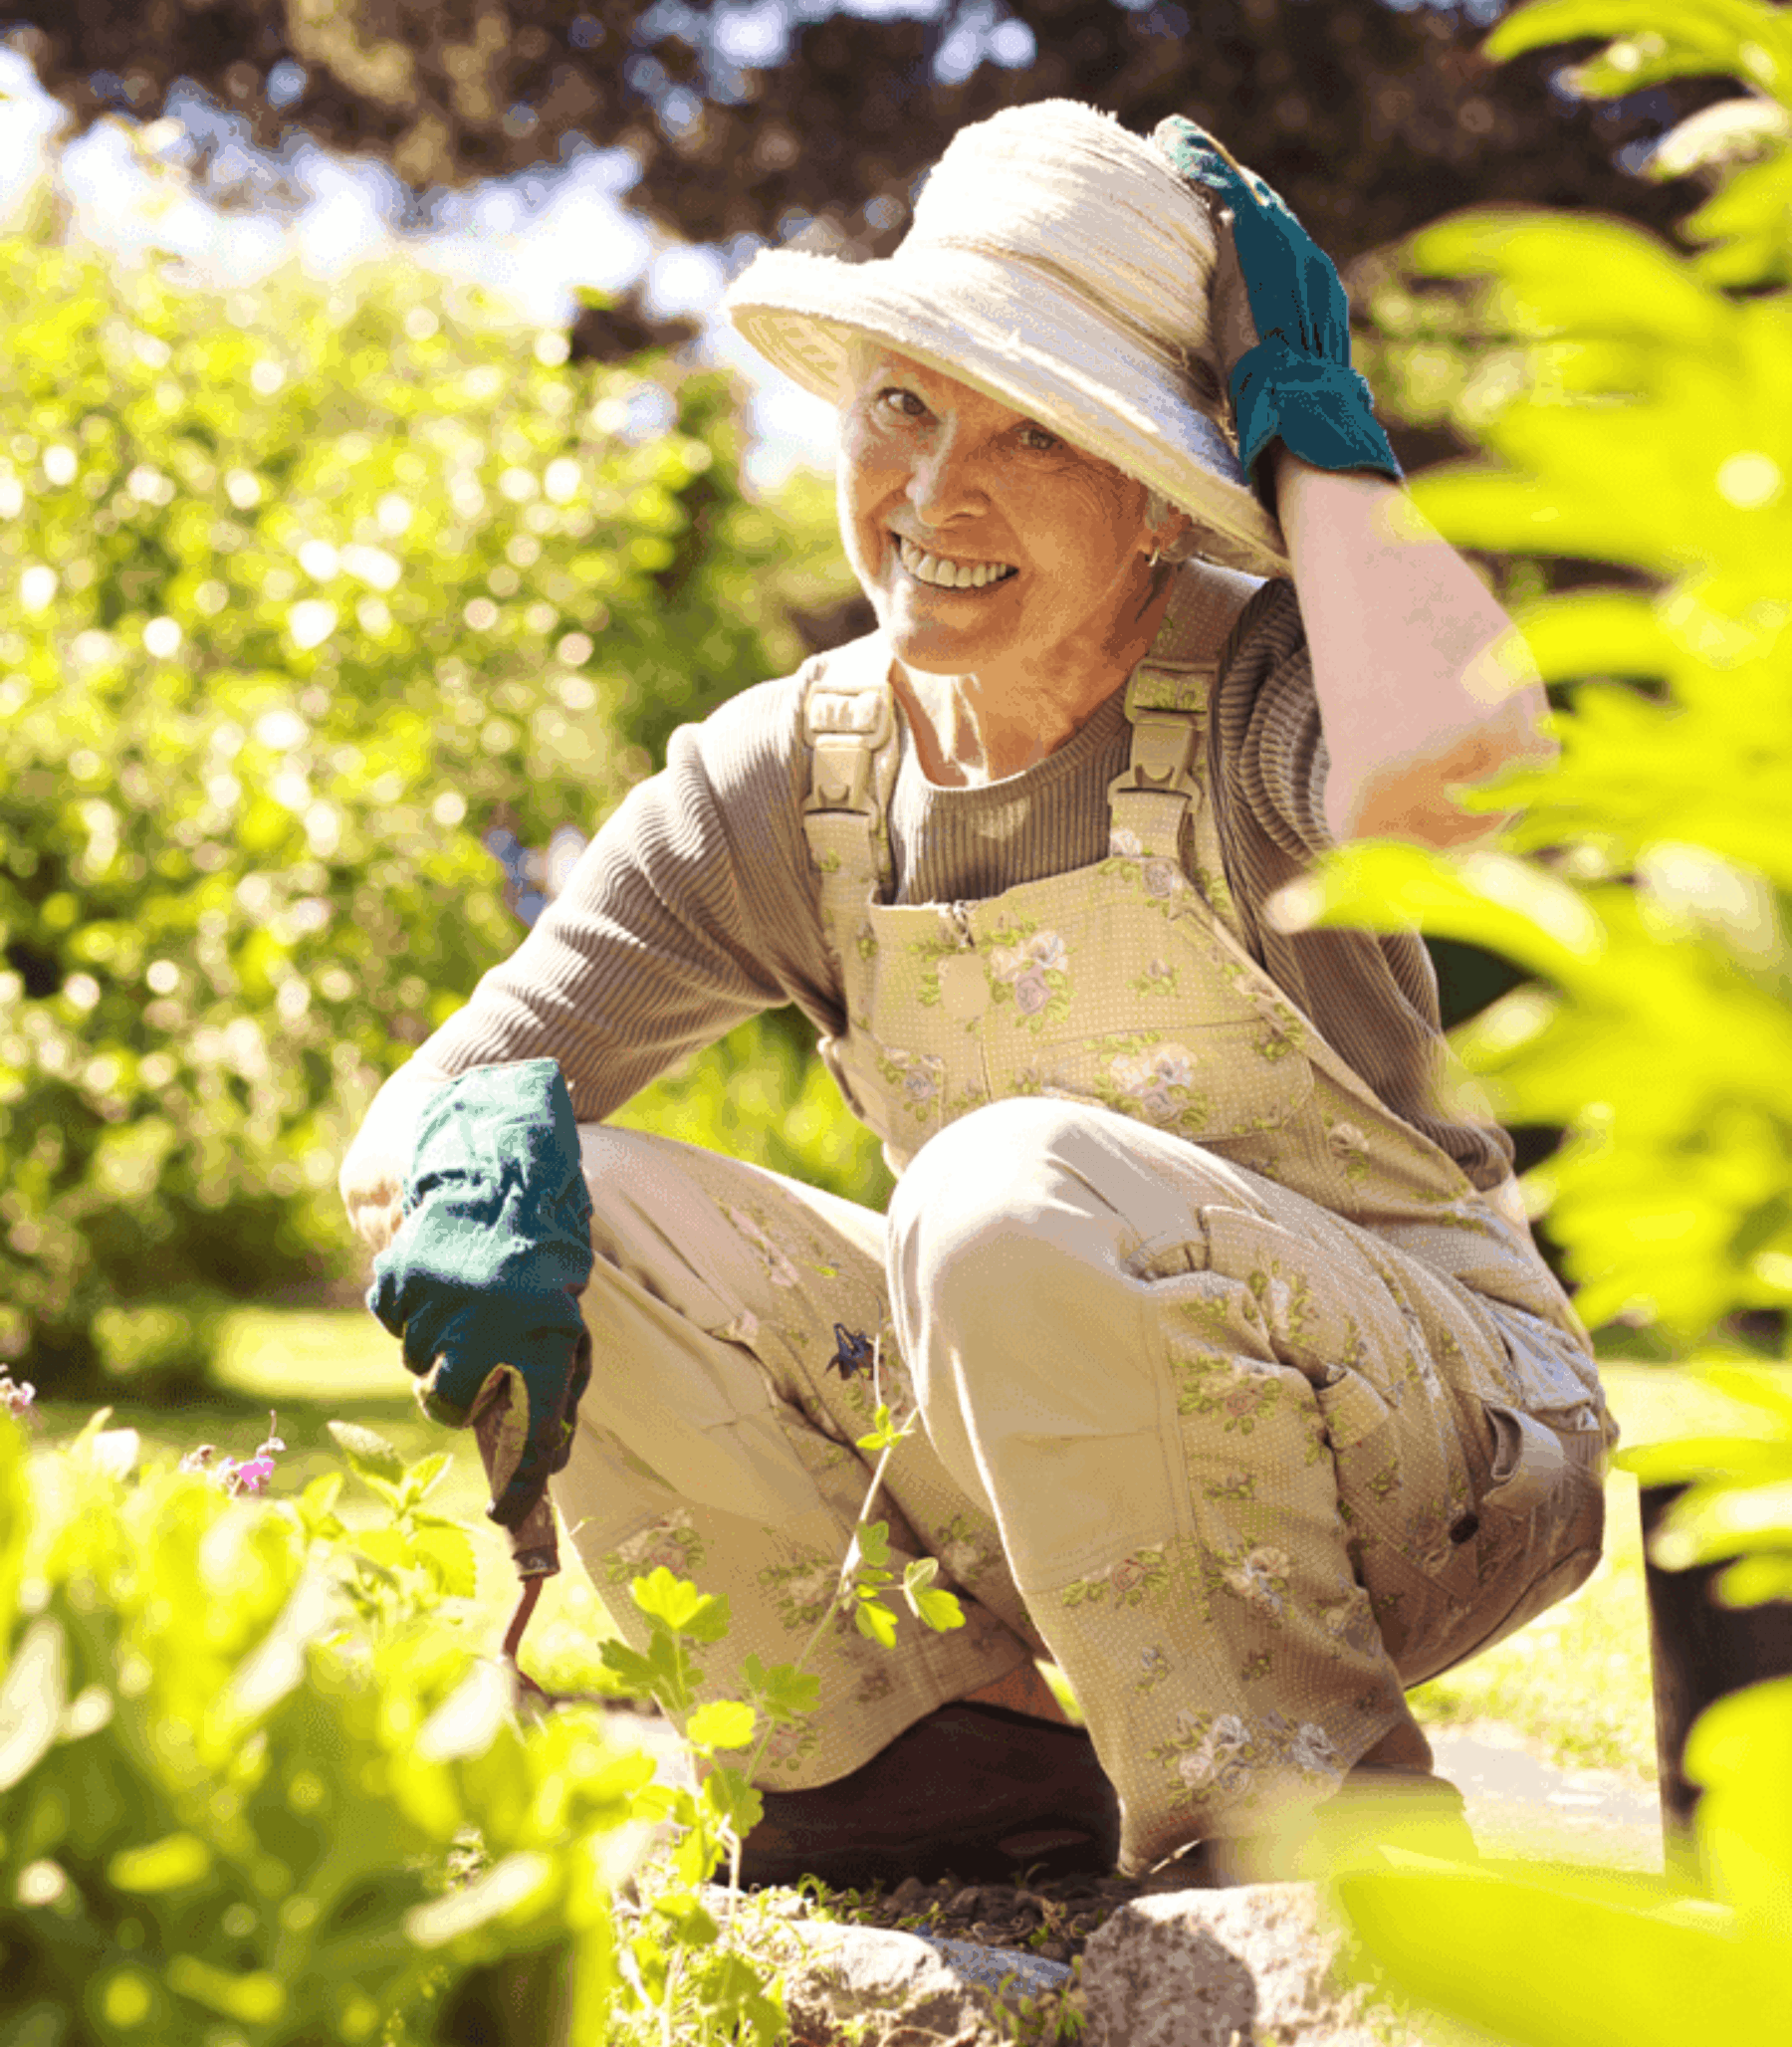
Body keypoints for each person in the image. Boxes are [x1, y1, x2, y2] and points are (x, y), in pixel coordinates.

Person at [340, 101, 1614, 1890]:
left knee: (1005, 1187)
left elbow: (1457, 770)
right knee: (573, 1182)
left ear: (1162, 501)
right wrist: (455, 1186)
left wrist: (1319, 436)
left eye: (1039, 429)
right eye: (905, 404)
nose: (938, 491)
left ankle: (1297, 1830)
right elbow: (431, 1107)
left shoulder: (1254, 687)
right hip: (1056, 1489)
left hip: (1437, 1458)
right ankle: (915, 1767)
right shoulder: (788, 779)